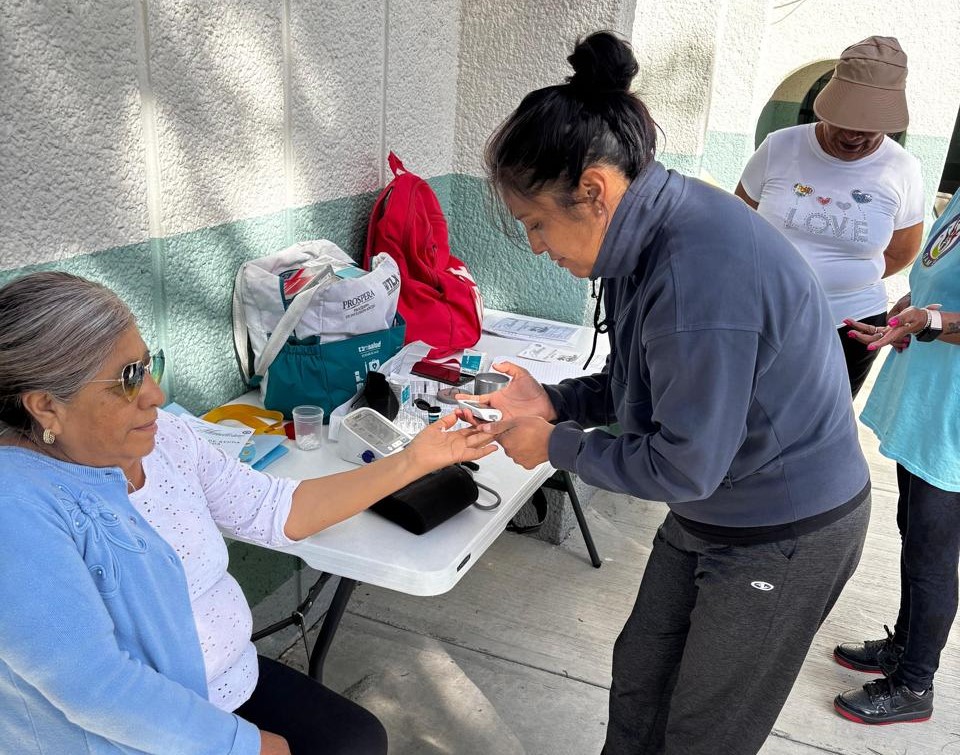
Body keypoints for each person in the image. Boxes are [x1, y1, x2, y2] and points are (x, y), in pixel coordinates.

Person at [465, 31, 872, 755]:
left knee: (703, 731)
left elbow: (683, 464)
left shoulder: (696, 273)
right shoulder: (644, 236)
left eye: (536, 223)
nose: (534, 246)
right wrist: (553, 401)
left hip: (785, 528)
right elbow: (641, 388)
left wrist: (553, 445)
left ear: (593, 190)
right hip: (714, 504)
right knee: (641, 683)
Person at [0, 271, 495, 755]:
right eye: (129, 380)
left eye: (149, 365)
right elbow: (98, 688)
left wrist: (416, 459)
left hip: (227, 682)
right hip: (128, 735)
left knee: (357, 739)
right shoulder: (16, 508)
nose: (155, 395)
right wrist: (246, 745)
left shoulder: (165, 438)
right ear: (46, 407)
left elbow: (274, 508)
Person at [831, 190, 960, 725]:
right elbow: (936, 277)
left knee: (933, 555)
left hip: (952, 419)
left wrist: (929, 323)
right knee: (914, 529)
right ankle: (902, 647)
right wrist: (906, 313)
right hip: (928, 403)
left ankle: (913, 686)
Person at [735, 36, 924, 398]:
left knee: (816, 434)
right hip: (761, 313)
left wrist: (833, 281)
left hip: (851, 324)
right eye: (844, 120)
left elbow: (901, 252)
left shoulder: (903, 168)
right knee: (744, 419)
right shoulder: (780, 146)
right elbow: (739, 222)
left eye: (868, 127)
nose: (853, 134)